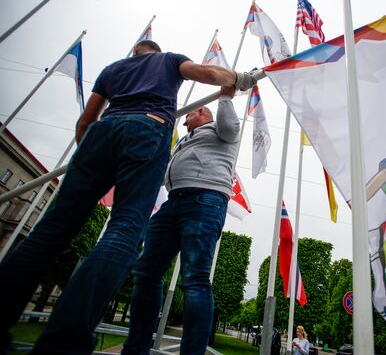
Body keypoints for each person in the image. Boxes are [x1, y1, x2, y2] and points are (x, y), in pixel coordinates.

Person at [0, 40, 256, 354]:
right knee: (134, 249)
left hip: (189, 191)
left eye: (196, 113)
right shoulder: (169, 63)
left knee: (52, 229)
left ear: (135, 51)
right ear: (156, 51)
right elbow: (205, 73)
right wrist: (233, 76)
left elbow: (85, 121)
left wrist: (229, 92)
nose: (189, 115)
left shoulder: (114, 70)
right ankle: (84, 344)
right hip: (156, 157)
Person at [121, 85, 240, 355]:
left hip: (205, 199)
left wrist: (224, 97)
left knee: (195, 278)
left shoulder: (220, 130)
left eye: (188, 115)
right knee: (146, 272)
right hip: (173, 201)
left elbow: (232, 126)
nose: (184, 119)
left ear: (201, 112)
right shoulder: (184, 141)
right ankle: (136, 348)